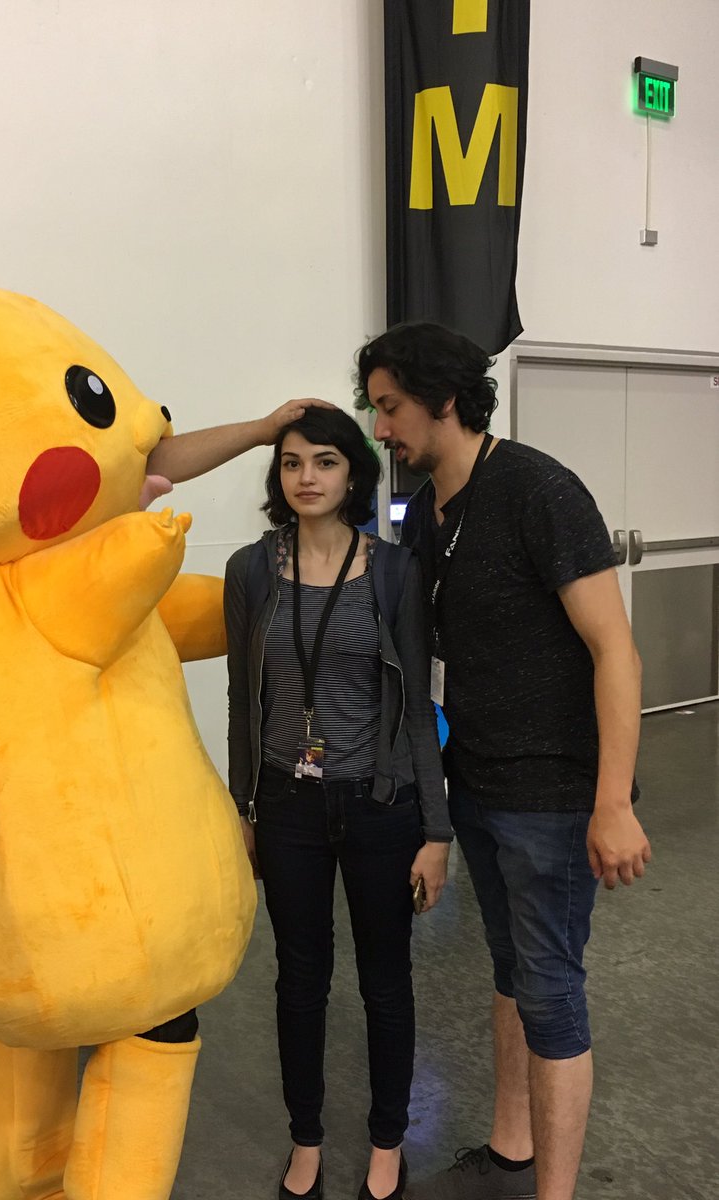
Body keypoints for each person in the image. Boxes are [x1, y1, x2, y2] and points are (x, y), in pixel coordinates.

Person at [352, 322, 651, 1200]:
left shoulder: (537, 490)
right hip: (478, 785)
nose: (381, 429)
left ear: (446, 399)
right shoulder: (425, 514)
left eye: (391, 407)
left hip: (553, 794)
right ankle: (511, 1148)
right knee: (511, 974)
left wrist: (612, 802)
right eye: (375, 410)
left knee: (550, 988)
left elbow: (616, 650)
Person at [223, 408, 452, 1200]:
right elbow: (242, 699)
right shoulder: (251, 571)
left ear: (353, 473)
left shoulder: (393, 571)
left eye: (324, 461)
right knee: (299, 979)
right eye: (292, 463)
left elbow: (418, 707)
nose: (307, 477)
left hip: (381, 805)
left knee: (386, 982)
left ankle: (388, 1143)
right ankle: (307, 1140)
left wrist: (437, 830)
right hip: (287, 806)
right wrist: (242, 807)